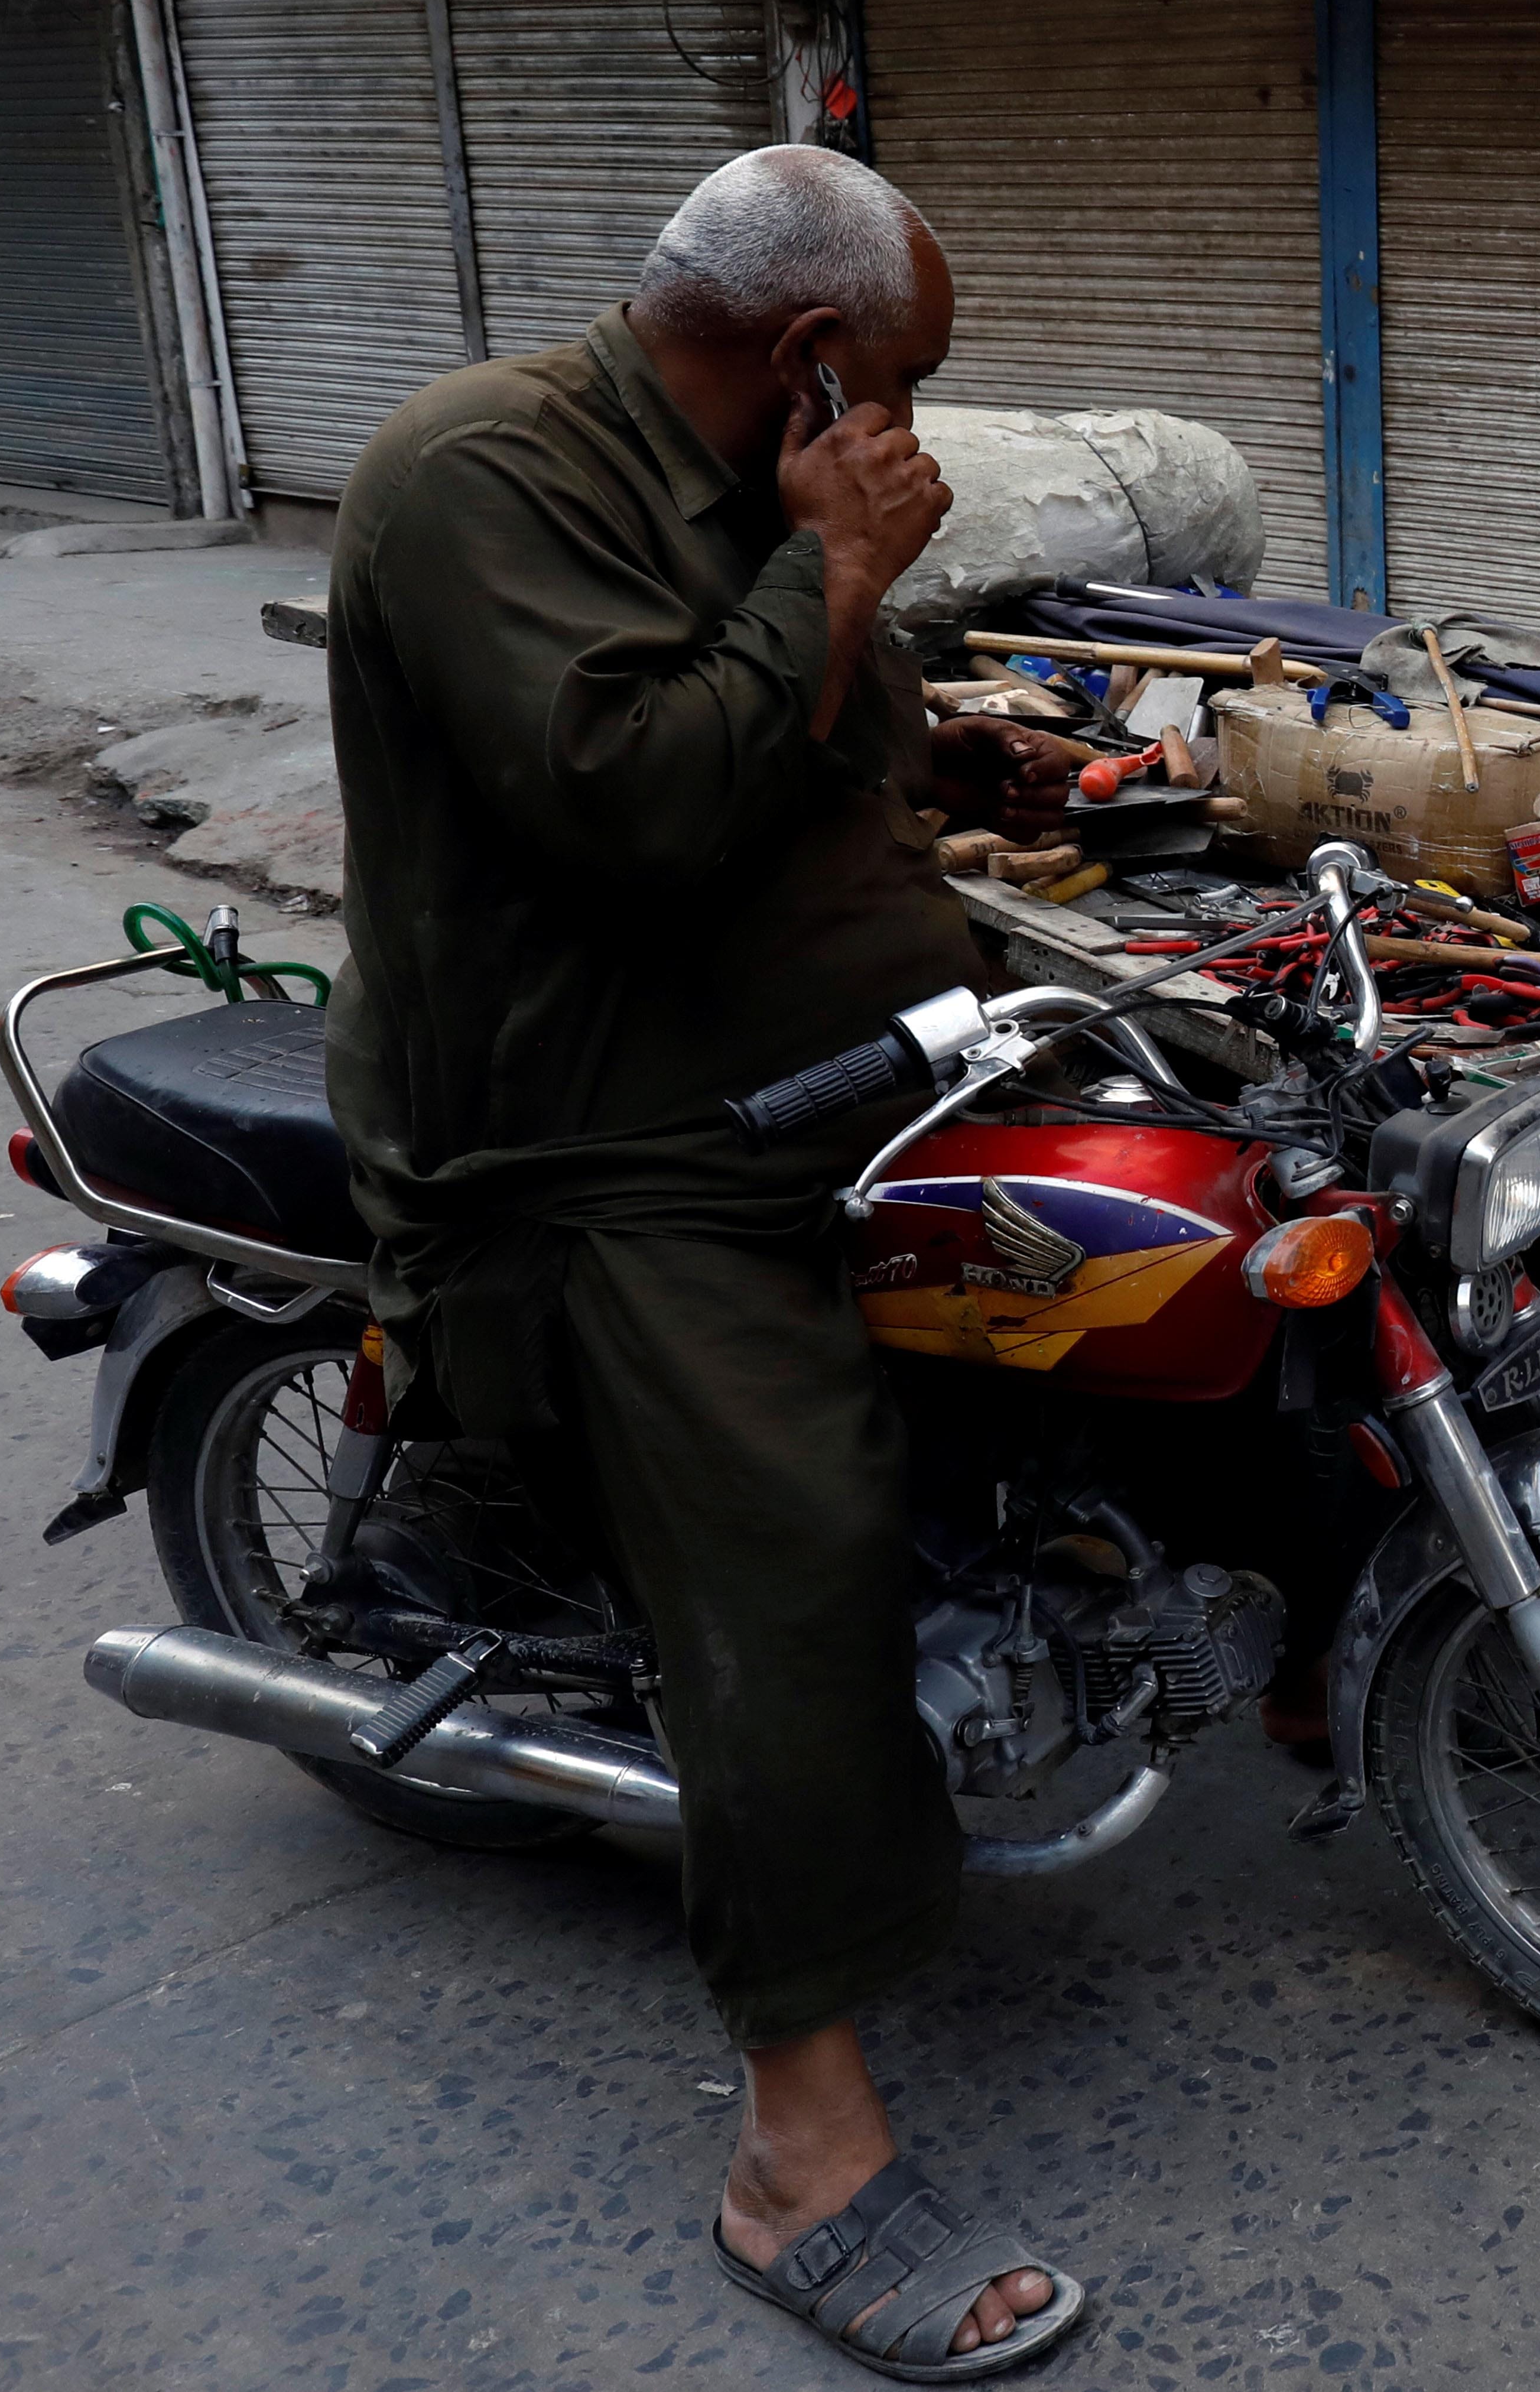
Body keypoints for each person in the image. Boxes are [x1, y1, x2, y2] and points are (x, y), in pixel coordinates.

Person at [321, 145, 1091, 2377]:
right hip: (598, 1134)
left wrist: (955, 719)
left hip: (832, 1061)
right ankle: (801, 2147)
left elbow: (829, 733)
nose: (919, 435)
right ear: (812, 350)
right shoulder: (477, 470)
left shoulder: (737, 475)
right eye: (908, 386)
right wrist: (839, 553)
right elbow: (645, 796)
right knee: (795, 1543)